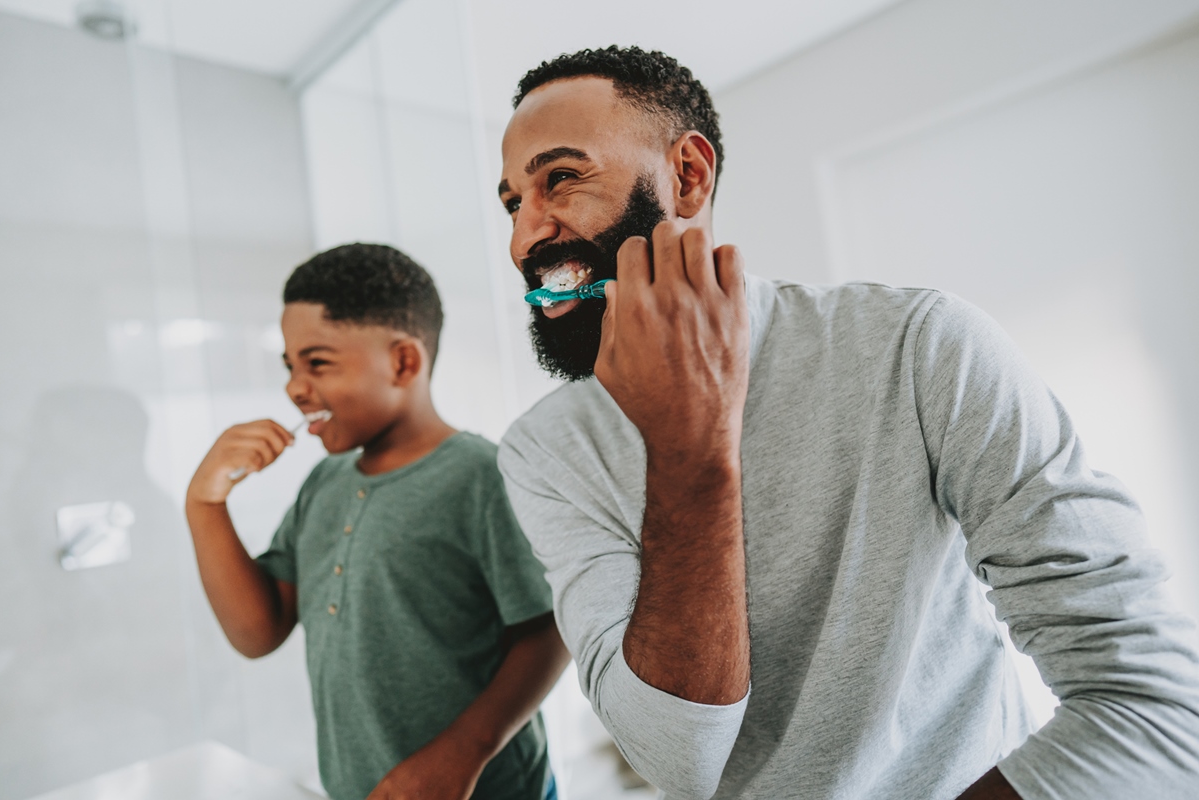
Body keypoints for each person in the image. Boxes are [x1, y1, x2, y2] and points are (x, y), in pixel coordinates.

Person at [494, 46, 1199, 800]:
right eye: (511, 203)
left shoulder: (921, 347)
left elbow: (1155, 713)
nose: (523, 239)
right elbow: (678, 762)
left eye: (560, 179)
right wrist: (690, 454)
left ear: (688, 177)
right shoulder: (544, 451)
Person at [185, 244, 569, 800]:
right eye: (289, 366)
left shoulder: (481, 476)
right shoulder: (325, 481)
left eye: (316, 362)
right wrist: (205, 503)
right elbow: (256, 632)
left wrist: (462, 751)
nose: (295, 386)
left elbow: (548, 629)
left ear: (403, 363)